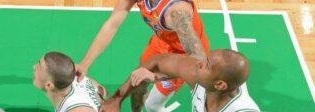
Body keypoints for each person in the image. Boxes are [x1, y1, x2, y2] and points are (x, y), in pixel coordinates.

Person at [75, 0, 209, 112]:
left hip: (184, 55)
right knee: (138, 81)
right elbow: (112, 24)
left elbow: (199, 63)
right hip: (162, 43)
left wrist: (156, 76)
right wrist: (85, 64)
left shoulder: (177, 12)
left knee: (152, 105)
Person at [101, 50, 260, 112]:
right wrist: (118, 99)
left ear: (219, 84)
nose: (199, 64)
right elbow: (158, 61)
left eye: (207, 65)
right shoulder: (198, 77)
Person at [33, 52, 104, 112]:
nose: (34, 67)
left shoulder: (75, 109)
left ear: (49, 85)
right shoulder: (80, 79)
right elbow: (103, 91)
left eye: (38, 66)